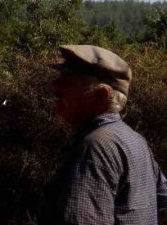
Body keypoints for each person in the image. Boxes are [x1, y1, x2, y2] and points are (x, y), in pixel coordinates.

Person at [40, 44, 167, 224]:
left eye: (68, 79)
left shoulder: (96, 146)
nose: (54, 85)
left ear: (100, 96)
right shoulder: (135, 140)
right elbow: (163, 200)